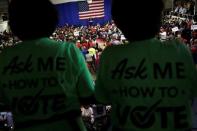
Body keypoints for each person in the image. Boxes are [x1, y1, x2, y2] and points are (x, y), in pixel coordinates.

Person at [95, 0, 197, 131]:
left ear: (117, 22)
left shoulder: (110, 56)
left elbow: (102, 98)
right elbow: (191, 92)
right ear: (159, 19)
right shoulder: (180, 50)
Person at [0, 0, 94, 130]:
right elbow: (88, 96)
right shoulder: (68, 50)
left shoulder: (4, 57)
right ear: (52, 22)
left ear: (14, 25)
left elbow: (5, 100)